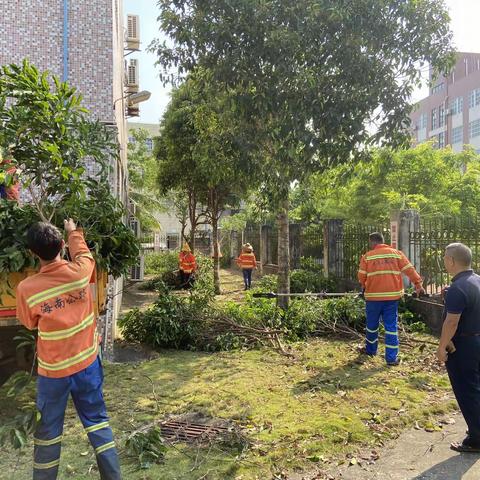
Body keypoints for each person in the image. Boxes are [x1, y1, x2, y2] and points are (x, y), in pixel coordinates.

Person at [16, 220, 121, 480]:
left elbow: (29, 322)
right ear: (62, 245)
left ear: (32, 253)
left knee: (48, 433)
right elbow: (84, 254)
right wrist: (73, 230)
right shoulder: (80, 272)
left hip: (53, 375)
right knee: (97, 422)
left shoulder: (26, 289)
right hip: (87, 365)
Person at [358, 232, 425, 366]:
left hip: (373, 298)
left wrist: (365, 286)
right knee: (391, 327)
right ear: (383, 241)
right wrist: (418, 285)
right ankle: (391, 358)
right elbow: (409, 269)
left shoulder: (367, 257)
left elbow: (361, 277)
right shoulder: (396, 254)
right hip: (391, 298)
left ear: (372, 242)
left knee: (371, 325)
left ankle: (371, 351)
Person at [437, 243, 480, 453]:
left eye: (445, 257)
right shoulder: (476, 281)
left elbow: (451, 322)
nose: (444, 261)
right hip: (476, 340)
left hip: (462, 347)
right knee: (475, 387)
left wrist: (442, 346)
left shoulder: (458, 288)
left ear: (451, 261)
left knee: (467, 390)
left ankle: (476, 439)